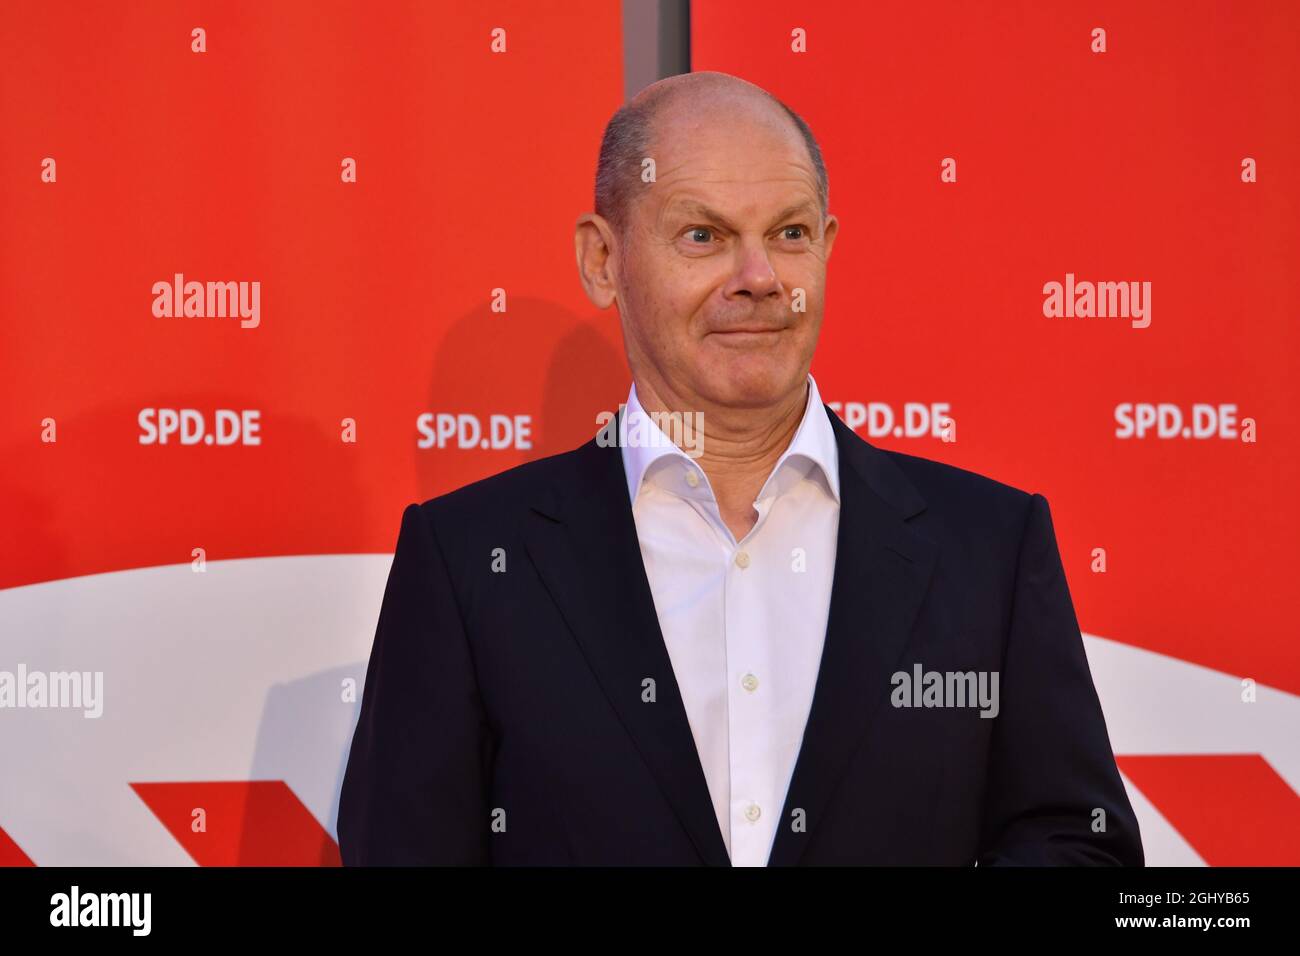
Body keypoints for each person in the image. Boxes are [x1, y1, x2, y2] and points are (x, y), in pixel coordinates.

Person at [337, 71, 1143, 866]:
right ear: (603, 259)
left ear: (827, 248)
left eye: (789, 234)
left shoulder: (990, 549)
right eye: (704, 236)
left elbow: (1080, 845)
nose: (758, 279)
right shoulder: (469, 561)